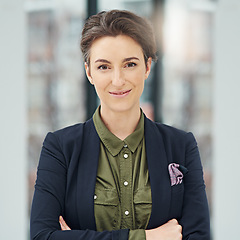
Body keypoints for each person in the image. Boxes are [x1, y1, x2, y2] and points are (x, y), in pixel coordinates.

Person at [30, 10, 210, 240]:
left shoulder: (181, 145)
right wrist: (147, 237)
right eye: (104, 67)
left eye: (129, 64)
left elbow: (199, 235)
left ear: (147, 67)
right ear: (89, 72)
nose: (117, 80)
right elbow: (42, 236)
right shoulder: (60, 148)